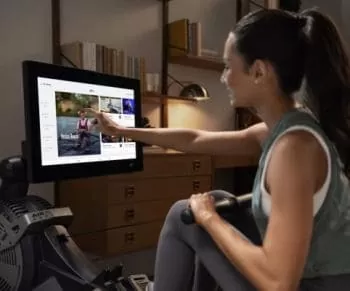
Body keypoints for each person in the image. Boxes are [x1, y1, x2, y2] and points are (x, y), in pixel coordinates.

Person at [86, 7, 350, 291]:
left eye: (228, 66)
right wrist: (122, 131)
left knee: (183, 215)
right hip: (310, 277)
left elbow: (278, 283)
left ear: (259, 72)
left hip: (308, 285)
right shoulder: (283, 129)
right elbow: (194, 139)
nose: (224, 77)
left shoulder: (293, 149)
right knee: (220, 198)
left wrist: (209, 218)